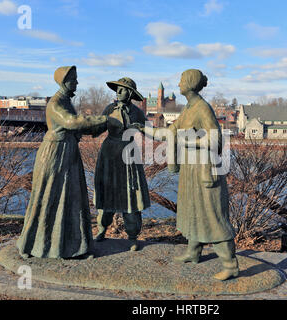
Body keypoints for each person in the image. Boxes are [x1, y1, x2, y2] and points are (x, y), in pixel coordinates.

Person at [131, 69, 238, 280]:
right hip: (192, 169)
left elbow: (216, 140)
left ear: (189, 83)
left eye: (181, 80)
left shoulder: (202, 108)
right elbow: (169, 133)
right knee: (193, 210)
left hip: (205, 169)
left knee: (212, 214)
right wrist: (144, 129)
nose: (178, 83)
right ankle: (193, 252)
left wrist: (186, 141)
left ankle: (230, 264)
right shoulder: (189, 108)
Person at [16, 66, 121, 259]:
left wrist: (100, 125)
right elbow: (73, 122)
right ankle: (37, 245)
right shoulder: (56, 104)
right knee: (49, 197)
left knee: (71, 198)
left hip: (68, 152)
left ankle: (70, 246)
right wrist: (104, 119)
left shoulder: (65, 101)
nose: (77, 83)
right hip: (55, 154)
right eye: (74, 80)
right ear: (65, 82)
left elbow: (78, 128)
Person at [93, 77, 150, 251]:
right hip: (109, 154)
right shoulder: (109, 109)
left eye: (123, 89)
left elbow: (149, 131)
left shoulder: (138, 112)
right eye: (117, 88)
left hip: (129, 155)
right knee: (107, 192)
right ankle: (102, 229)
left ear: (131, 93)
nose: (118, 92)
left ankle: (132, 236)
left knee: (130, 195)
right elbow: (96, 129)